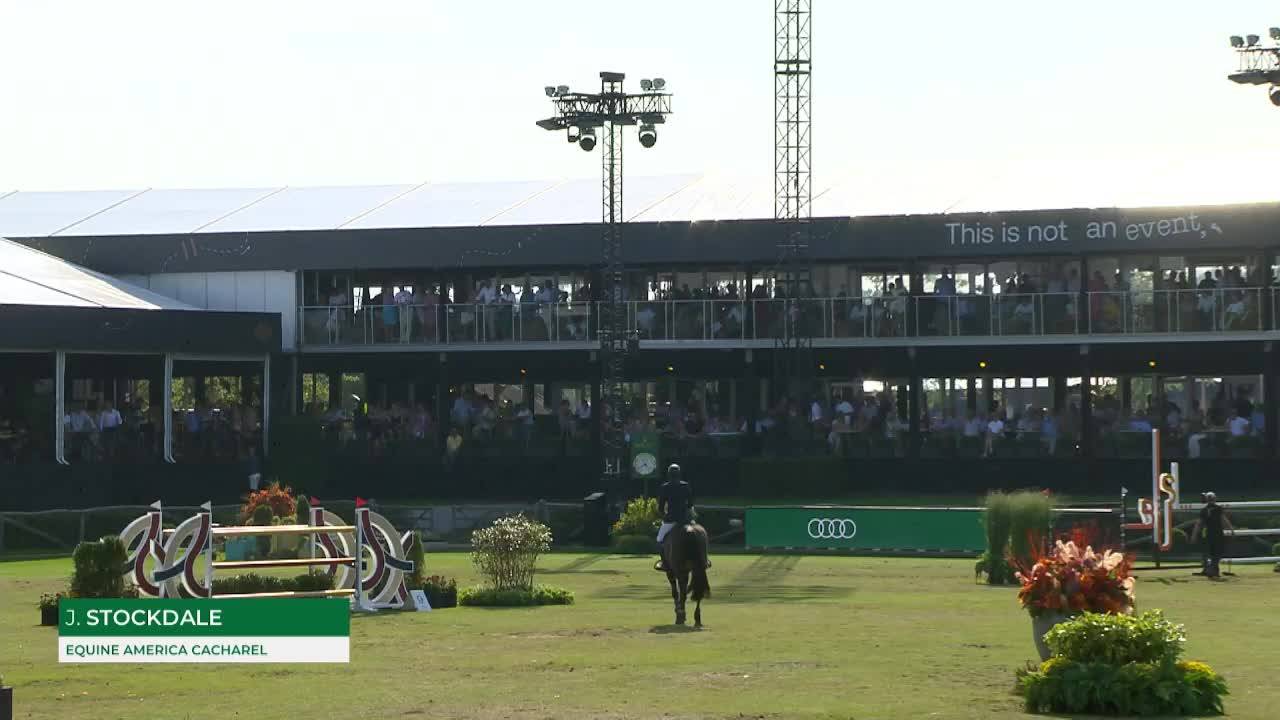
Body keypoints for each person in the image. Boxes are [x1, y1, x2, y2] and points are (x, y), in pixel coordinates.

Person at [655, 463, 694, 571]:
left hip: (670, 520)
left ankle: (664, 563)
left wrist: (663, 516)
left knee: (659, 540)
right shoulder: (685, 485)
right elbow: (690, 505)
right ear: (679, 474)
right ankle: (702, 560)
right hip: (685, 520)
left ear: (669, 474)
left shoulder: (665, 487)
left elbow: (661, 508)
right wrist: (691, 518)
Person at [1189, 492, 1234, 579]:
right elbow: (1224, 520)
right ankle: (1213, 570)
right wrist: (1231, 529)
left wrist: (1194, 535)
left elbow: (1198, 524)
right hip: (1218, 533)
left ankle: (1208, 570)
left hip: (1209, 534)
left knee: (1207, 552)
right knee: (1217, 553)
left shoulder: (1204, 510)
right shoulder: (1218, 509)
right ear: (1215, 499)